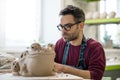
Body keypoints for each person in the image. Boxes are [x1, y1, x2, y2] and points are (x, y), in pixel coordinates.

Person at [54, 5, 106, 80]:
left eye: (68, 26)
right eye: (61, 27)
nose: (63, 32)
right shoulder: (60, 44)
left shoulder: (95, 48)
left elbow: (96, 76)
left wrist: (64, 69)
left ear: (81, 26)